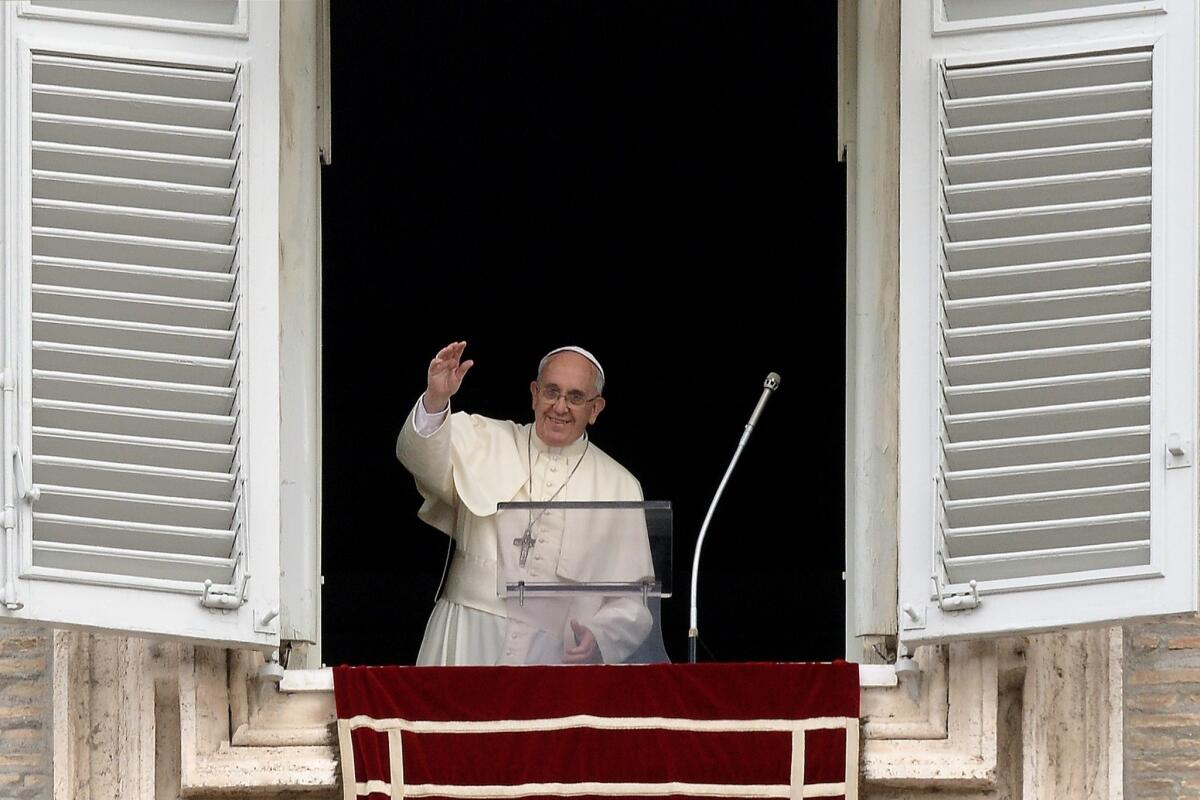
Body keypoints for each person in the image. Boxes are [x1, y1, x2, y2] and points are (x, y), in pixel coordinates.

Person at [396, 341, 654, 665]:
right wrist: (436, 399)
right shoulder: (485, 438)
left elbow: (633, 603)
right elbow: (417, 458)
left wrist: (600, 635)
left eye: (575, 397)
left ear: (595, 409)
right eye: (551, 392)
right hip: (466, 637)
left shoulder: (621, 486)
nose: (560, 407)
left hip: (554, 656)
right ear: (534, 393)